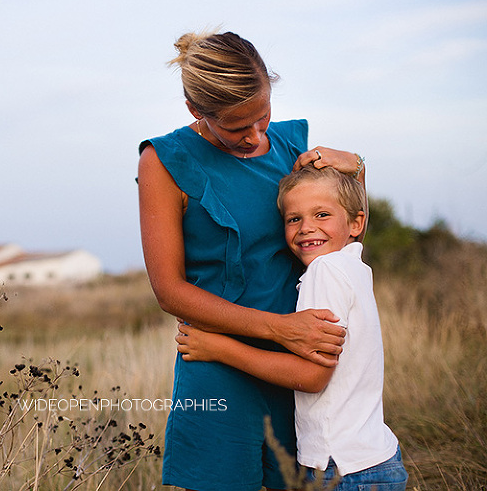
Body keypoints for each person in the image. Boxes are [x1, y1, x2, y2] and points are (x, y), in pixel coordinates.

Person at [138, 30, 365, 490]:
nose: (255, 136)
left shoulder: (293, 147)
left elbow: (346, 235)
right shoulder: (163, 161)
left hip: (301, 366)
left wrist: (359, 165)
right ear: (195, 112)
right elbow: (169, 290)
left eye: (262, 117)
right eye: (237, 127)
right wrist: (279, 328)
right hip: (217, 364)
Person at [176, 164, 408, 491]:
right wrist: (358, 166)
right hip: (375, 458)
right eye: (293, 219)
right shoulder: (353, 265)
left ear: (357, 223)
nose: (306, 228)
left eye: (322, 215)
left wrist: (219, 348)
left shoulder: (324, 271)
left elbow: (312, 376)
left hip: (344, 469)